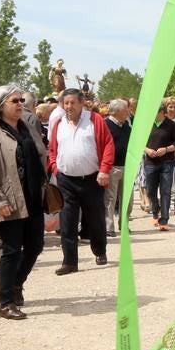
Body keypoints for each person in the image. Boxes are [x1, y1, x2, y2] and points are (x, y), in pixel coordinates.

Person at [0, 85, 48, 320]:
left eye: (21, 100)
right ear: (0, 105)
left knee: (35, 246)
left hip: (33, 198)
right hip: (9, 201)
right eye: (14, 100)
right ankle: (5, 302)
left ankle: (17, 283)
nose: (20, 104)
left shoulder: (28, 128)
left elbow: (40, 156)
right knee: (12, 251)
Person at [47, 88, 113, 272]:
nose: (69, 106)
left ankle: (99, 250)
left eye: (72, 103)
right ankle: (69, 261)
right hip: (66, 180)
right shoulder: (59, 123)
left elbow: (108, 144)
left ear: (81, 103)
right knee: (67, 221)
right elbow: (52, 149)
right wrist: (55, 168)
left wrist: (104, 169)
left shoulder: (94, 120)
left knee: (95, 219)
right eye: (65, 103)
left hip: (92, 179)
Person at [143, 102, 175, 230]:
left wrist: (166, 149)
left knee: (165, 191)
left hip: (167, 162)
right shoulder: (147, 124)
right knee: (151, 191)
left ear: (161, 112)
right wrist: (147, 150)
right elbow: (139, 142)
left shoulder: (172, 125)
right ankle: (155, 212)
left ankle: (164, 220)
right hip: (150, 163)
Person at [104, 99, 132, 236]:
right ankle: (109, 227)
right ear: (117, 111)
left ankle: (124, 224)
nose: (128, 112)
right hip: (112, 167)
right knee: (110, 198)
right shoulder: (106, 124)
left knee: (127, 198)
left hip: (127, 165)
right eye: (125, 109)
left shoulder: (126, 125)